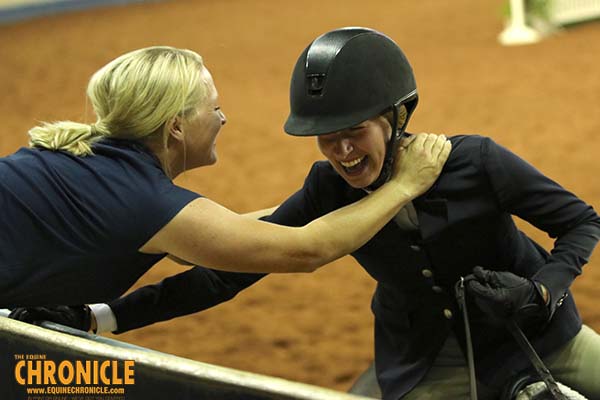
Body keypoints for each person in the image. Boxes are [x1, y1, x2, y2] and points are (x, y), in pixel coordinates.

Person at [9, 29, 600, 399]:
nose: (342, 153)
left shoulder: (478, 160)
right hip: (426, 362)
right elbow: (227, 272)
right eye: (327, 139)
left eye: (355, 133)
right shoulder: (326, 189)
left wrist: (543, 292)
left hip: (548, 338)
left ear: (396, 117)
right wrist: (105, 320)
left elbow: (582, 220)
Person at [0, 45, 451, 308]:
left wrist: (333, 202)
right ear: (175, 126)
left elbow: (220, 236)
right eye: (212, 107)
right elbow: (307, 250)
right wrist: (403, 186)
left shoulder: (96, 164)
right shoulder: (144, 202)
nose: (223, 118)